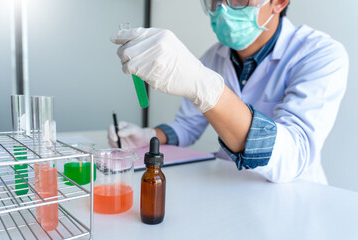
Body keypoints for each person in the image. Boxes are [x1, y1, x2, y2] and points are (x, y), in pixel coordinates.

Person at [108, 0, 349, 184]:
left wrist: (207, 88)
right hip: (227, 184)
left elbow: (294, 155)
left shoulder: (321, 54)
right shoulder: (215, 55)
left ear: (280, 2)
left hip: (292, 195)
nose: (222, 9)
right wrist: (149, 135)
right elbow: (189, 125)